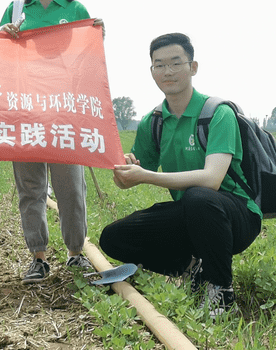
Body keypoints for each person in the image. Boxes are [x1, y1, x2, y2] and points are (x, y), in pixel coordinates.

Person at [99, 32, 262, 319]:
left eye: (176, 63)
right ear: (152, 72)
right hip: (192, 213)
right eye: (159, 65)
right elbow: (128, 180)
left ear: (193, 67)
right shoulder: (154, 122)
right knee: (114, 238)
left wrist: (146, 176)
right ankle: (193, 269)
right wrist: (124, 171)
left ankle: (221, 292)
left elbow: (212, 180)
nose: (167, 72)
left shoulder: (217, 113)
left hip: (236, 217)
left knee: (199, 196)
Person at [0, 0, 101, 284]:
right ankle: (38, 257)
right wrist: (2, 35)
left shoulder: (76, 10)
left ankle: (75, 254)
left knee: (70, 187)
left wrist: (97, 35)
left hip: (63, 114)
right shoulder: (15, 10)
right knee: (31, 188)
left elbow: (88, 60)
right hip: (24, 112)